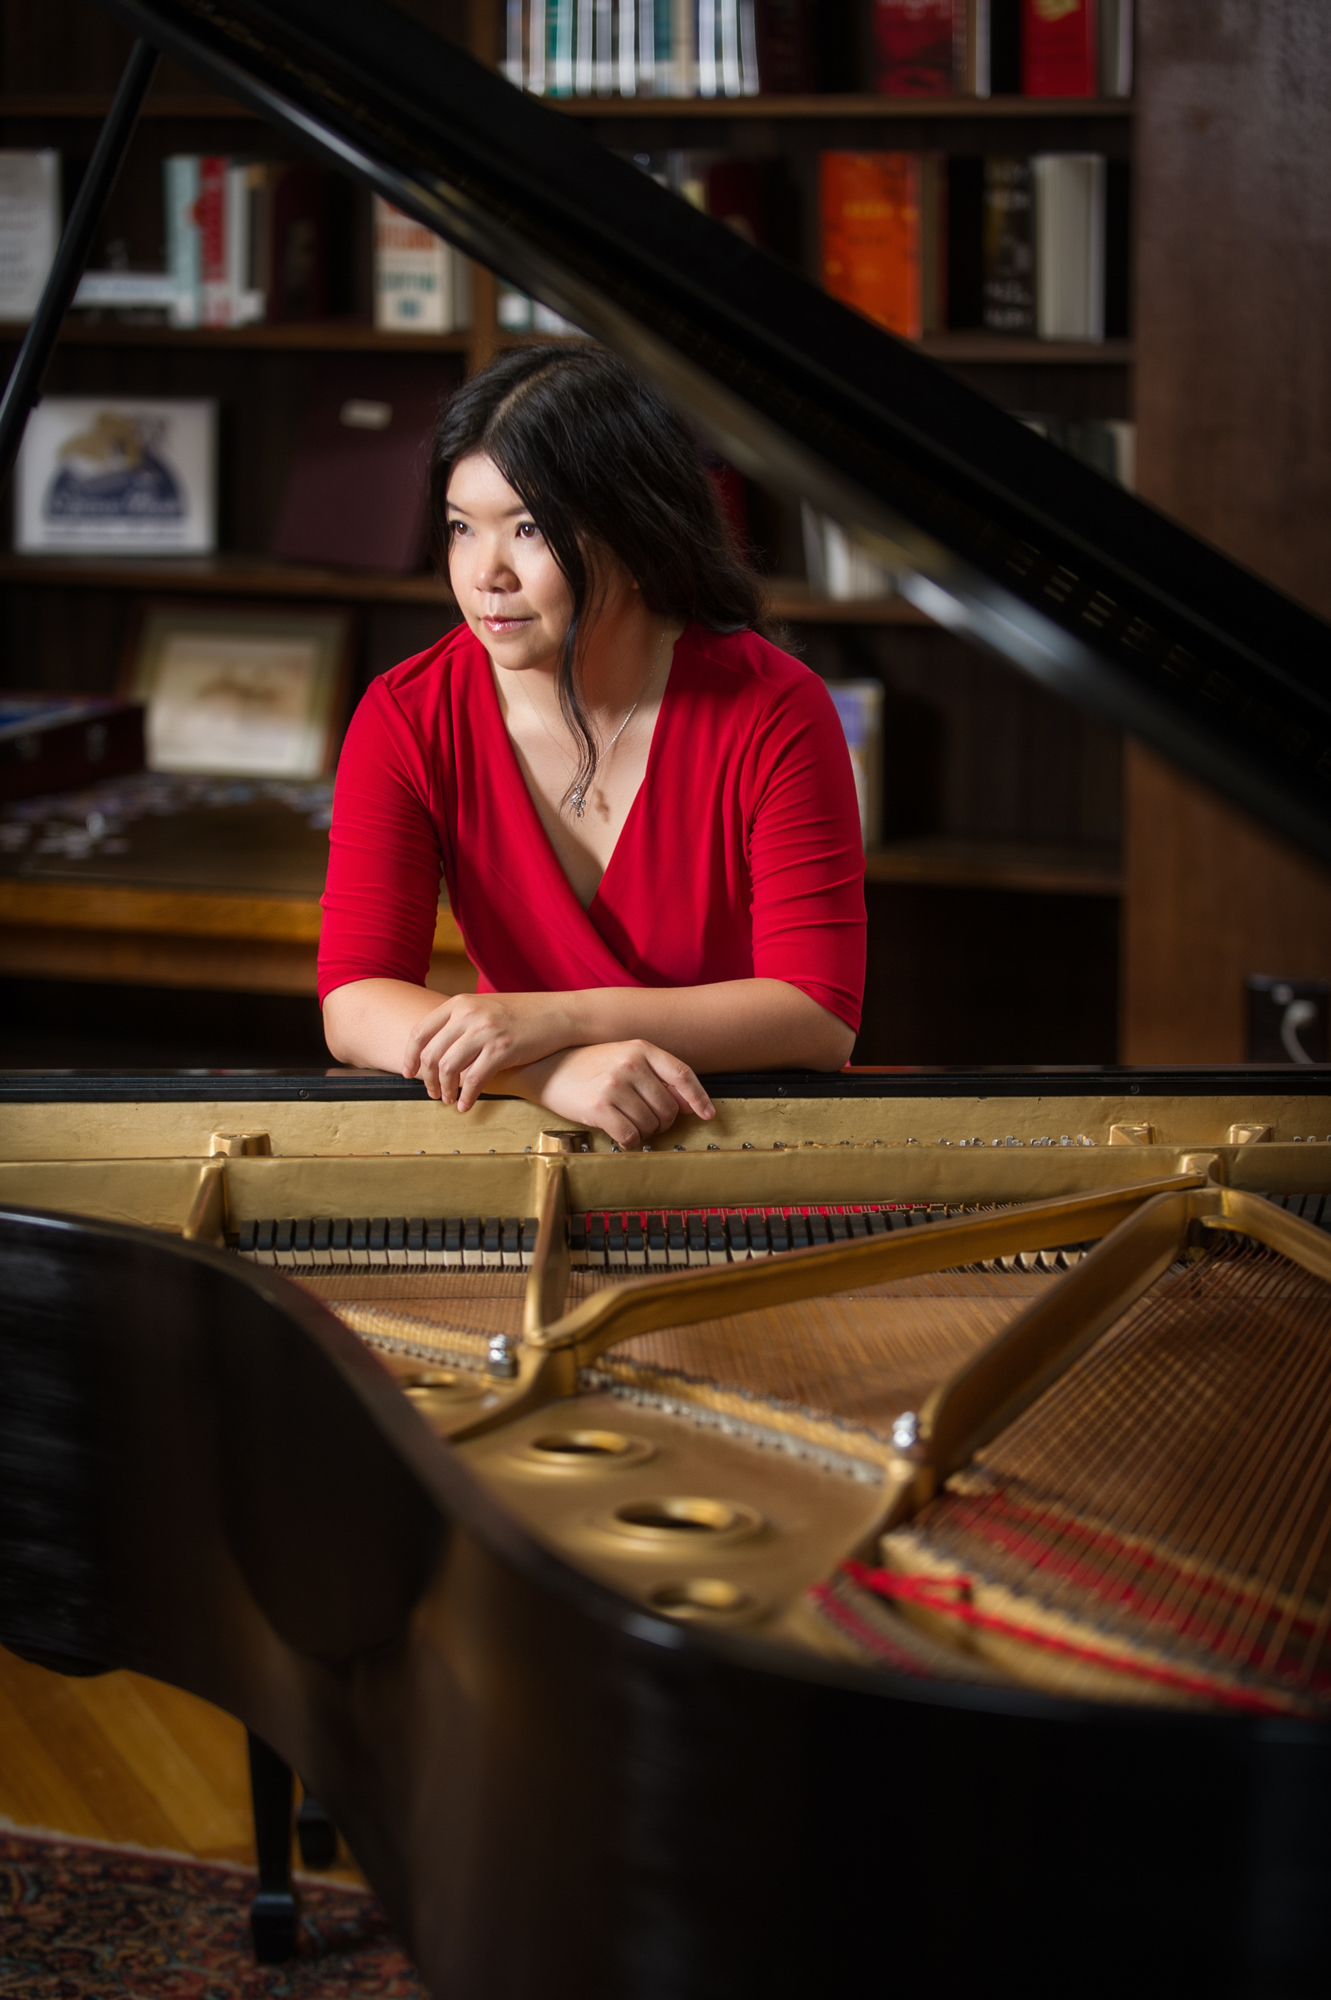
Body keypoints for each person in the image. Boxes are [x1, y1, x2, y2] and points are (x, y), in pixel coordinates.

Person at [319, 345, 866, 1149]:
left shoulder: (774, 710)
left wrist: (556, 1020)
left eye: (530, 528)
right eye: (462, 529)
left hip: (742, 1146)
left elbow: (817, 1015)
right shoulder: (407, 714)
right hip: (522, 1138)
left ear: (635, 533)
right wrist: (544, 1073)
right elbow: (354, 997)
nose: (485, 574)